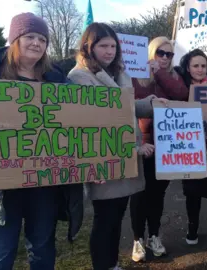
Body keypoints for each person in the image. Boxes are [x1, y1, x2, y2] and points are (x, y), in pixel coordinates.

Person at [0, 12, 83, 270]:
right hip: (1, 184)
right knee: (0, 251)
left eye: (42, 39)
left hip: (43, 180)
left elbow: (81, 120)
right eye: (30, 36)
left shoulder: (57, 78)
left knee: (42, 245)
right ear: (15, 38)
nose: (37, 43)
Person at [67, 22, 166, 270]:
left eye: (113, 45)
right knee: (105, 218)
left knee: (116, 216)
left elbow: (126, 106)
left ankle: (111, 264)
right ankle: (103, 265)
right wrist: (133, 150)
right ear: (89, 47)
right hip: (104, 159)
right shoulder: (79, 76)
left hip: (124, 160)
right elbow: (95, 123)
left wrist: (152, 102)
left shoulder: (120, 73)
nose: (109, 51)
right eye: (103, 46)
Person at [130, 36, 189, 262]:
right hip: (144, 143)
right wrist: (149, 75)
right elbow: (133, 104)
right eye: (160, 53)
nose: (164, 58)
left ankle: (154, 235)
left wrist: (160, 74)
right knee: (139, 194)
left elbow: (181, 94)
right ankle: (137, 239)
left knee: (157, 195)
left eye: (169, 54)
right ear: (151, 54)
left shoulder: (173, 76)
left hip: (169, 145)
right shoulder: (136, 75)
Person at [174, 49, 207, 245]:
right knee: (192, 190)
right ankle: (192, 226)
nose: (200, 69)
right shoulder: (180, 87)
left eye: (203, 65)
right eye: (195, 65)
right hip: (189, 146)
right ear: (188, 67)